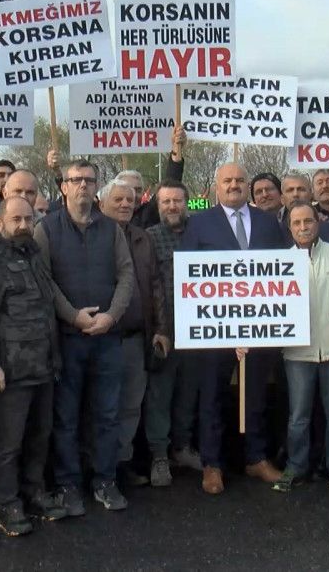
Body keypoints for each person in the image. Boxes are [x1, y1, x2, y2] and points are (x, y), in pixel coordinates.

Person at [35, 160, 136, 514]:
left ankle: (105, 481)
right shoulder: (46, 229)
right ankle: (68, 485)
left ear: (96, 187)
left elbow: (126, 275)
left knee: (107, 414)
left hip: (107, 338)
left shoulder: (111, 229)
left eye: (89, 180)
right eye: (75, 180)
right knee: (66, 417)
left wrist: (111, 315)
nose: (82, 185)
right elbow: (43, 280)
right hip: (67, 338)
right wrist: (73, 315)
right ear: (63, 186)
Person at [179, 162, 286, 495]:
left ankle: (257, 457)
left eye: (240, 180)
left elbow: (283, 270)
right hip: (214, 328)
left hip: (260, 325)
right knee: (211, 394)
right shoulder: (199, 223)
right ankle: (212, 463)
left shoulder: (268, 223)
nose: (234, 185)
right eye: (227, 180)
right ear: (217, 186)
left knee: (255, 393)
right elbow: (187, 274)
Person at [0, 197, 68, 536]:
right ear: (0, 223)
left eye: (29, 218)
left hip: (43, 366)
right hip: (9, 372)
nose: (24, 225)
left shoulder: (33, 255)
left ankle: (33, 490)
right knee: (7, 443)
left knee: (39, 436)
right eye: (16, 219)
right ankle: (6, 501)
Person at [274, 201, 329, 494]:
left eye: (308, 221)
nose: (303, 227)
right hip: (298, 353)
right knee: (298, 416)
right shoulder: (281, 262)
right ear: (290, 227)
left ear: (317, 223)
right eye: (296, 223)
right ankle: (296, 467)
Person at [98, 176, 170, 488]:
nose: (126, 204)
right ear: (102, 203)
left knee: (130, 406)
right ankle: (99, 468)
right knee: (103, 407)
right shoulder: (93, 235)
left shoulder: (143, 238)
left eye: (130, 200)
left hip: (135, 338)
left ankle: (121, 463)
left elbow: (156, 286)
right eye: (118, 199)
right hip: (101, 338)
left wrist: (161, 329)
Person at [144, 179, 203, 485]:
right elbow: (149, 286)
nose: (172, 206)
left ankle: (183, 447)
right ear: (158, 205)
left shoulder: (200, 232)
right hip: (165, 333)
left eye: (177, 201)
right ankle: (159, 456)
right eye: (165, 201)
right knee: (160, 397)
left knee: (188, 394)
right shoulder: (149, 237)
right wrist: (160, 329)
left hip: (199, 331)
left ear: (187, 203)